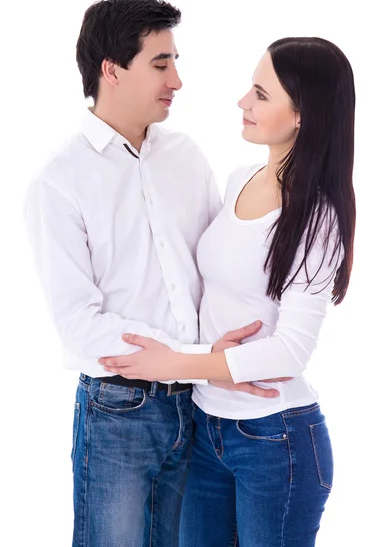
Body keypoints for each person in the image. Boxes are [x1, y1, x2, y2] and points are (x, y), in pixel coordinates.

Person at [23, 0, 278, 547]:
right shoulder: (58, 181)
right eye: (161, 63)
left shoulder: (186, 155)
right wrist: (192, 360)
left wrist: (216, 360)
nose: (177, 80)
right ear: (111, 71)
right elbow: (79, 322)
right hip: (120, 411)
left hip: (204, 405)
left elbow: (217, 272)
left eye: (176, 62)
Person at [101, 37, 356, 546]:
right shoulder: (241, 178)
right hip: (205, 429)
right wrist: (206, 363)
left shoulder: (316, 215)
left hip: (274, 438)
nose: (243, 102)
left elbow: (292, 350)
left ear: (303, 114)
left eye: (261, 94)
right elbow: (205, 297)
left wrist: (178, 364)